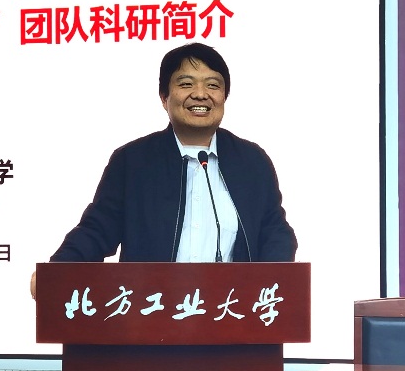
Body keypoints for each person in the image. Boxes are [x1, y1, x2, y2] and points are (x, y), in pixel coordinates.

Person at [47, 42, 296, 269]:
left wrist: (276, 280)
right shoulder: (133, 162)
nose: (200, 94)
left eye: (212, 85)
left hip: (231, 302)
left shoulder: (252, 162)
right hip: (151, 302)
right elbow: (97, 231)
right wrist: (55, 274)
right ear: (164, 98)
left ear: (224, 97)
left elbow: (275, 232)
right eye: (186, 84)